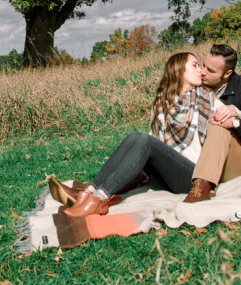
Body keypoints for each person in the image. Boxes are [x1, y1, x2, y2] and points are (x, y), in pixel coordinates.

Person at [58, 51, 216, 218]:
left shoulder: (206, 99)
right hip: (166, 174)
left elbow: (235, 119)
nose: (201, 70)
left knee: (146, 141)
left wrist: (233, 113)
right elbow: (154, 140)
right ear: (179, 71)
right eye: (195, 65)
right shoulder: (163, 102)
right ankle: (90, 191)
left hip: (194, 178)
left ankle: (99, 199)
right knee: (135, 136)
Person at [182, 43, 241, 203]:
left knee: (218, 121)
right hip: (203, 158)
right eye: (203, 65)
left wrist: (236, 124)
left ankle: (200, 191)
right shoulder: (197, 85)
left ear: (227, 73)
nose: (203, 72)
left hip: (240, 161)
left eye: (211, 71)